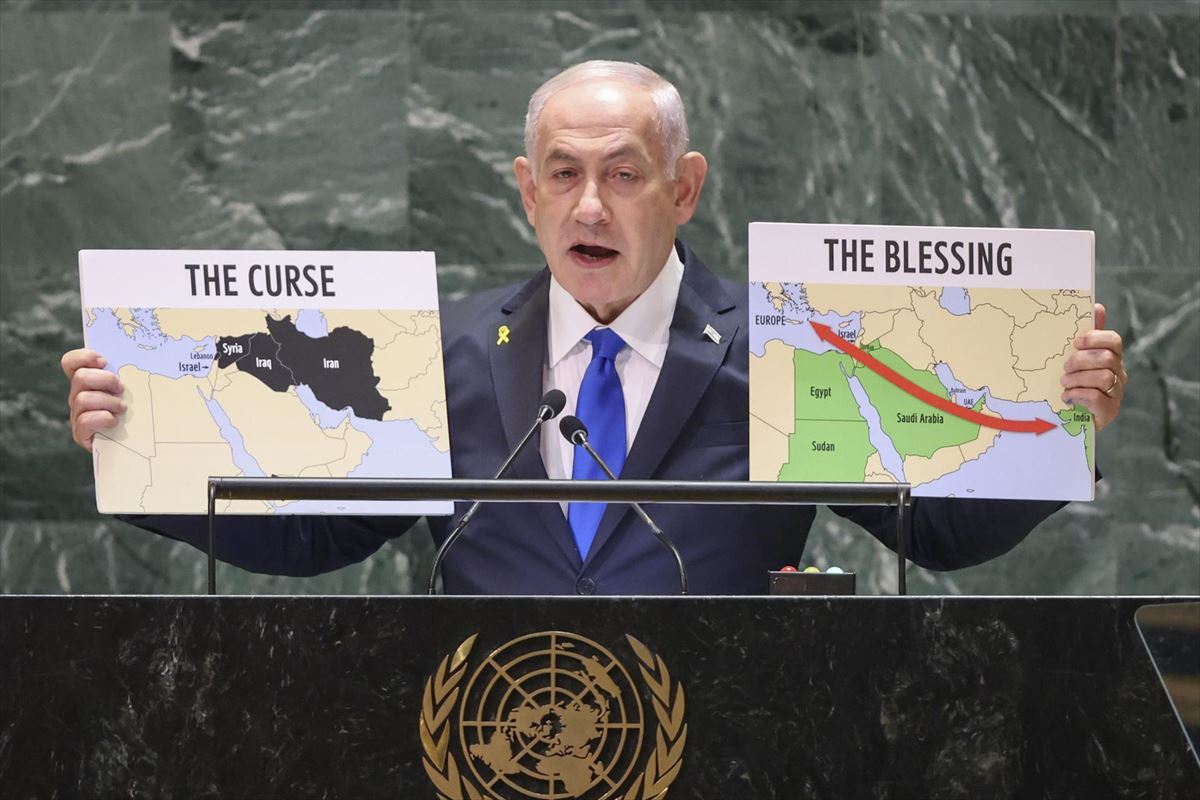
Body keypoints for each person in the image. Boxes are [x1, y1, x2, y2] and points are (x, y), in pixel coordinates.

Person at [60, 61, 1127, 595]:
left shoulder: (787, 348)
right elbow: (311, 532)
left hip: (734, 750)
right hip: (486, 744)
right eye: (563, 174)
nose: (588, 205)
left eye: (623, 174)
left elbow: (936, 531)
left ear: (684, 188)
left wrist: (1051, 425)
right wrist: (140, 447)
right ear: (526, 190)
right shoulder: (446, 352)